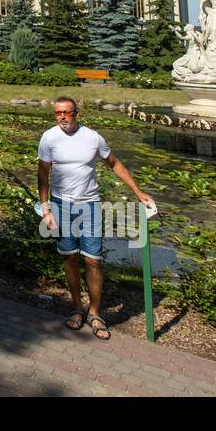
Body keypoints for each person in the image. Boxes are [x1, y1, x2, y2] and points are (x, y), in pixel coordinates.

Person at [36, 96, 153, 341]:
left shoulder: (92, 137)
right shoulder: (48, 138)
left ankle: (96, 312)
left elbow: (114, 163)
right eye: (58, 113)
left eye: (67, 112)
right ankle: (77, 308)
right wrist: (46, 208)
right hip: (60, 205)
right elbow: (42, 174)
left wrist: (137, 191)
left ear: (77, 112)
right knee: (70, 258)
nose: (63, 117)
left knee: (94, 261)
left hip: (89, 205)